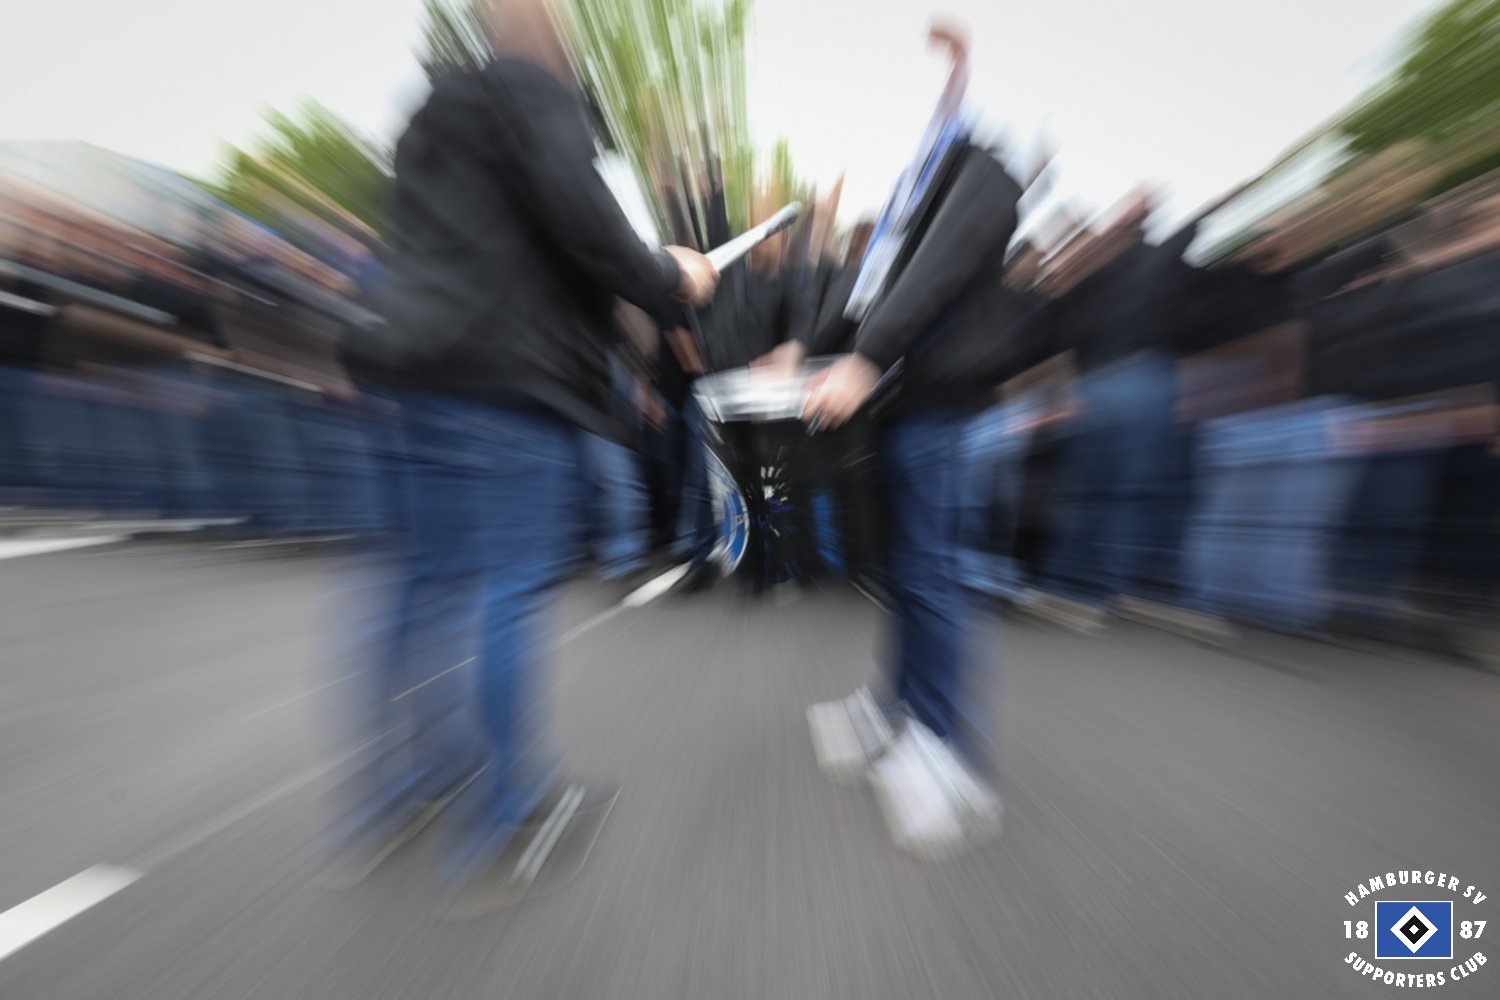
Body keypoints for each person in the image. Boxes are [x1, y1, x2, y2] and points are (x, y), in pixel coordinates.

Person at [338, 0, 718, 880]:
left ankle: (400, 791)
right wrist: (674, 274)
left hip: (414, 375)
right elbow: (587, 227)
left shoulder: (429, 115)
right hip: (509, 381)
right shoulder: (537, 92)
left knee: (420, 586)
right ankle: (505, 815)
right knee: (507, 586)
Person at [782, 30, 1025, 853]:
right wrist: (808, 348)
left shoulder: (982, 167)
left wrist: (868, 357)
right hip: (905, 397)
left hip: (940, 397)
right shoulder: (917, 187)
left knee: (930, 573)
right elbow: (873, 279)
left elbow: (939, 264)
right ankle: (901, 710)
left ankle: (946, 750)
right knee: (907, 573)